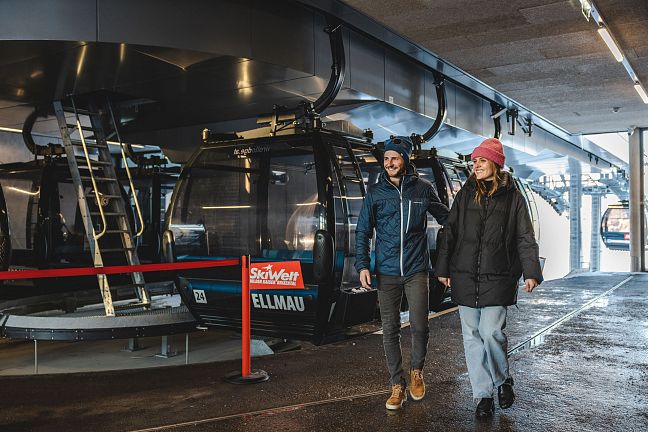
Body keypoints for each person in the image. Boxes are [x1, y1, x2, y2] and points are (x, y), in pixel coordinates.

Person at [435, 137, 543, 419]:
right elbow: (450, 231)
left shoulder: (513, 198)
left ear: (495, 163)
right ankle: (483, 395)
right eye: (474, 161)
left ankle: (502, 380)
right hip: (465, 275)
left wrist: (531, 271)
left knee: (490, 332)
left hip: (498, 276)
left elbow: (524, 236)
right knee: (471, 337)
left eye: (481, 160)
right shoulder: (465, 194)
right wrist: (443, 268)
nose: (476, 165)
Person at [355, 136, 449, 410]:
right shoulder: (375, 193)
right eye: (386, 159)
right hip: (386, 271)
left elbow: (447, 219)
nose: (389, 163)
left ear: (405, 160)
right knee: (390, 329)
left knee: (420, 325)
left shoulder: (422, 189)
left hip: (416, 268)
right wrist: (362, 264)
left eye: (394, 158)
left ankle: (416, 371)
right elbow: (363, 231)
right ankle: (397, 384)